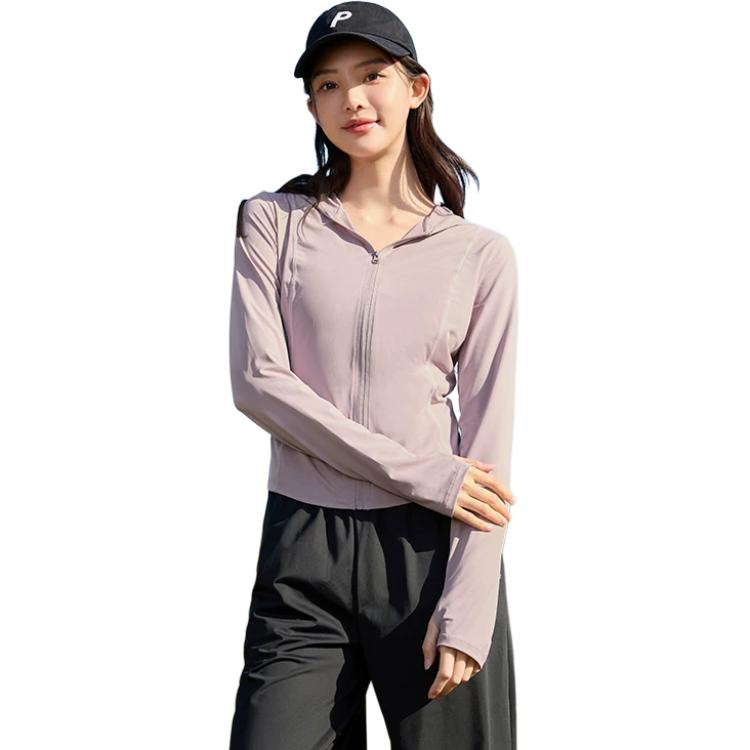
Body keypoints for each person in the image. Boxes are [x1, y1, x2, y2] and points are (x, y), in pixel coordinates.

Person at [227, 2, 520, 748]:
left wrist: (469, 607)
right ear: (311, 106)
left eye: (372, 76)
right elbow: (259, 382)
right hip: (304, 545)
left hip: (430, 555)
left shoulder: (479, 254)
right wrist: (424, 474)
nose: (351, 99)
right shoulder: (273, 223)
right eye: (328, 84)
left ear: (417, 88)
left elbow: (488, 447)